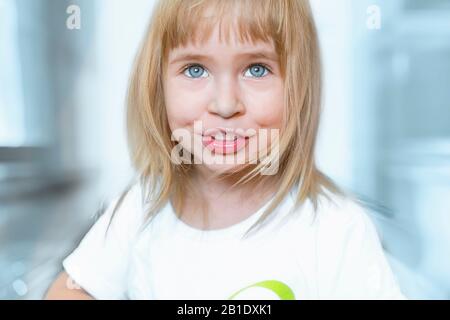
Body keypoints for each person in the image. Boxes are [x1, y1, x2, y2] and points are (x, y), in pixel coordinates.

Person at [45, 0, 406, 300]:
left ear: (298, 87)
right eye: (196, 70)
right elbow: (71, 290)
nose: (225, 103)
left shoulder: (335, 228)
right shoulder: (140, 209)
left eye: (257, 69)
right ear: (157, 86)